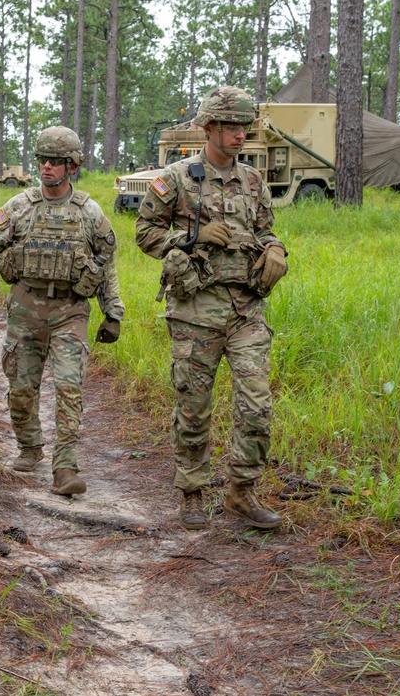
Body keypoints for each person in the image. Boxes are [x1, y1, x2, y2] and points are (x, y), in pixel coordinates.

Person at [135, 86, 288, 531]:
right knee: (194, 406)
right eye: (232, 126)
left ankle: (241, 493)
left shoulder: (254, 181)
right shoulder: (178, 178)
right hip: (195, 309)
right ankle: (191, 492)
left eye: (245, 127)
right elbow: (144, 233)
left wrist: (276, 251)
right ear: (210, 127)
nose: (241, 135)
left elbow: (266, 231)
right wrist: (191, 237)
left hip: (245, 309)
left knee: (257, 404)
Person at [0, 126, 124, 496]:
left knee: (70, 387)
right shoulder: (19, 207)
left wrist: (113, 312)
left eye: (56, 162)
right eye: (42, 160)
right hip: (25, 308)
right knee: (22, 388)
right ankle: (29, 447)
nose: (47, 167)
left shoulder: (89, 211)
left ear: (71, 166)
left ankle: (65, 467)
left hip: (71, 310)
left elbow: (106, 262)